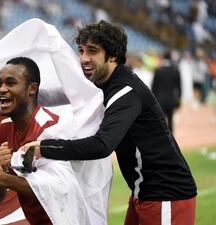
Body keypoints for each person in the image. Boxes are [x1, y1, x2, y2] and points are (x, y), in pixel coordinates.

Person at [22, 20, 197, 225]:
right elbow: (63, 95)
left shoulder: (125, 91)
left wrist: (43, 148)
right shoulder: (103, 86)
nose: (84, 59)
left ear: (113, 55)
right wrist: (23, 93)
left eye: (93, 51)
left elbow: (102, 145)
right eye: (81, 51)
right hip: (145, 192)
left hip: (166, 194)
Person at [0, 57, 93, 225]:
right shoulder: (5, 129)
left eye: (10, 83)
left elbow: (57, 188)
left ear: (32, 89)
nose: (2, 89)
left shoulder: (52, 128)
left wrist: (2, 178)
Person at [151, 51, 181, 133]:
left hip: (159, 100)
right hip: (171, 100)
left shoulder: (158, 71)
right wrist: (178, 101)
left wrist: (152, 101)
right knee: (170, 122)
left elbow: (154, 87)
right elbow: (179, 88)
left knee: (160, 122)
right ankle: (171, 141)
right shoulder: (175, 71)